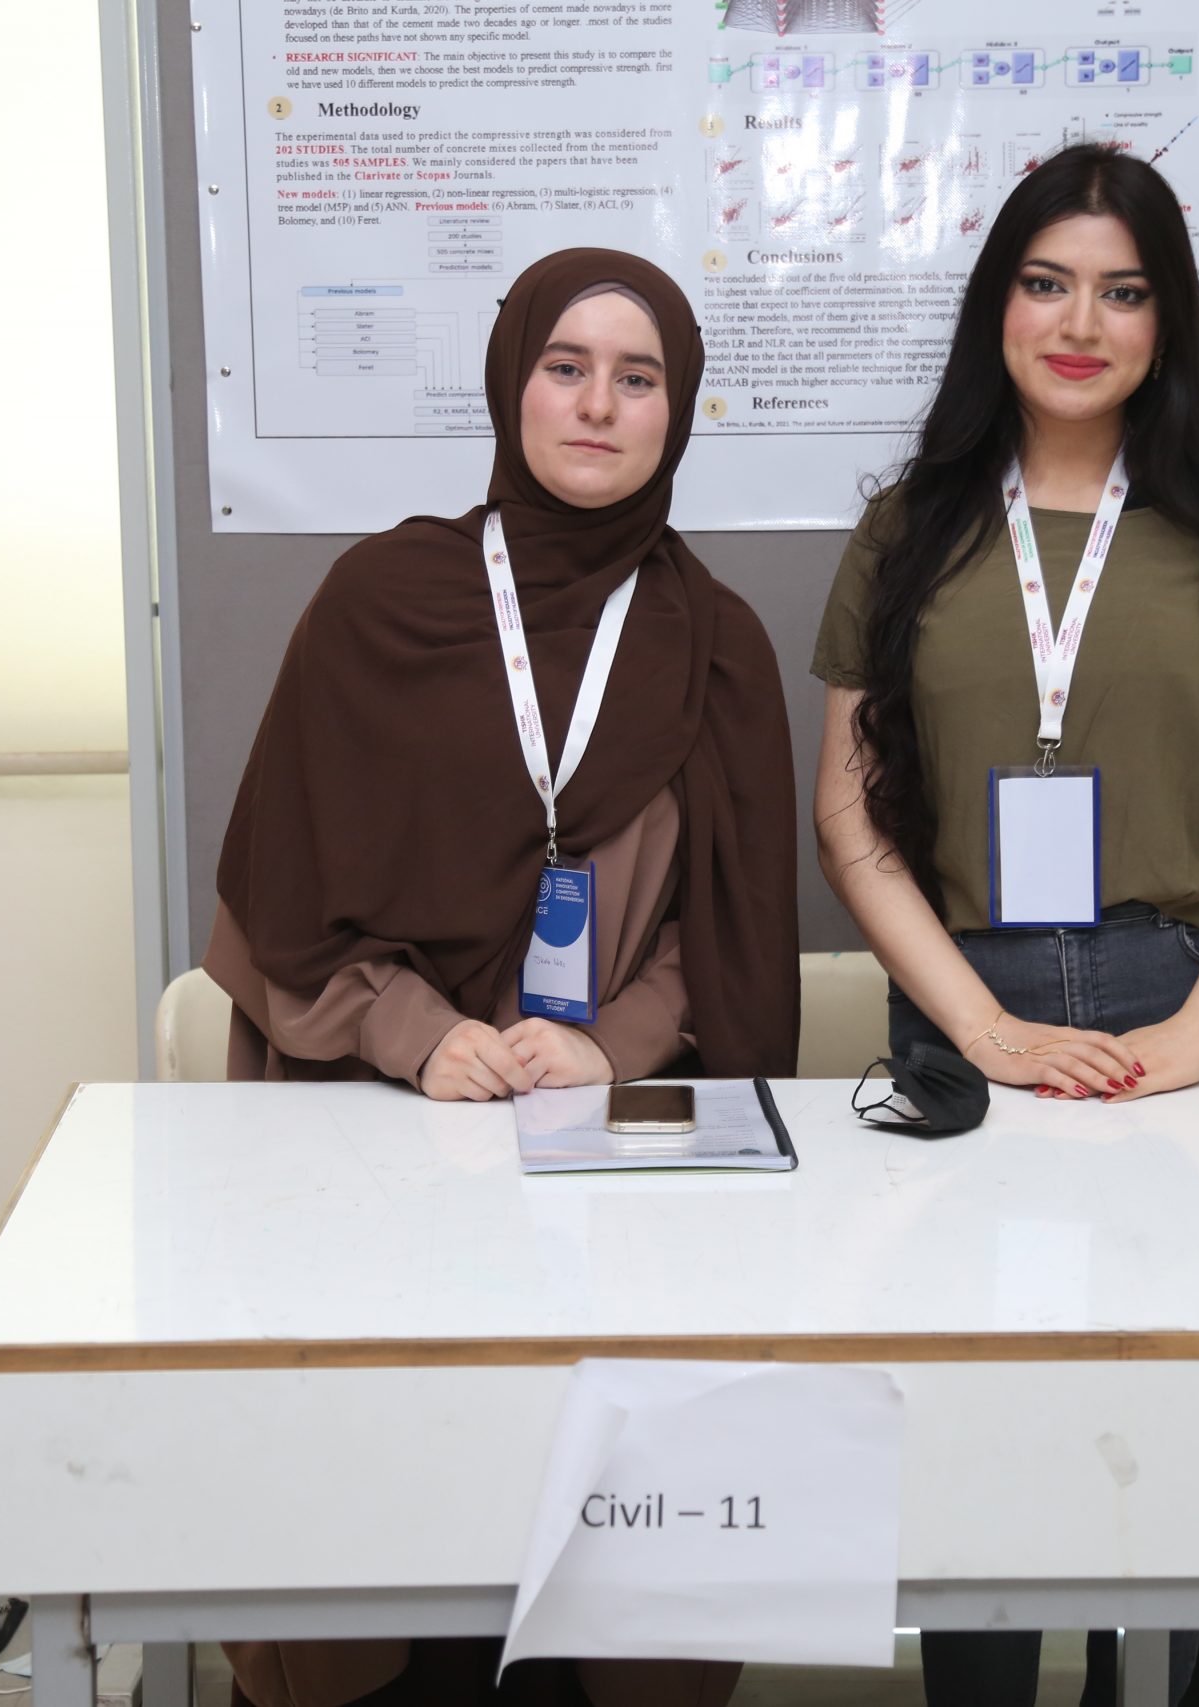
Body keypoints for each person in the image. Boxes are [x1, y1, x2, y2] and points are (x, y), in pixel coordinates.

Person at [809, 144, 1199, 1706]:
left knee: (1193, 1429)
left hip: (1192, 1004)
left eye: (1123, 293)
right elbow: (851, 820)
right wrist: (985, 1029)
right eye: (1047, 283)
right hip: (970, 1005)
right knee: (981, 1427)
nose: (1081, 324)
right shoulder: (910, 529)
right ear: (998, 304)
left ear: (1167, 319)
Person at [207, 248, 798, 1706]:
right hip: (385, 1141)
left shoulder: (715, 645)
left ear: (677, 410)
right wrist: (411, 1029)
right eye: (566, 367)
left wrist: (614, 1043)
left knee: (607, 1541)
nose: (598, 406)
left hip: (610, 1153)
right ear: (510, 383)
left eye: (637, 378)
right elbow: (280, 897)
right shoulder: (377, 602)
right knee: (396, 1526)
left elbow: (724, 934)